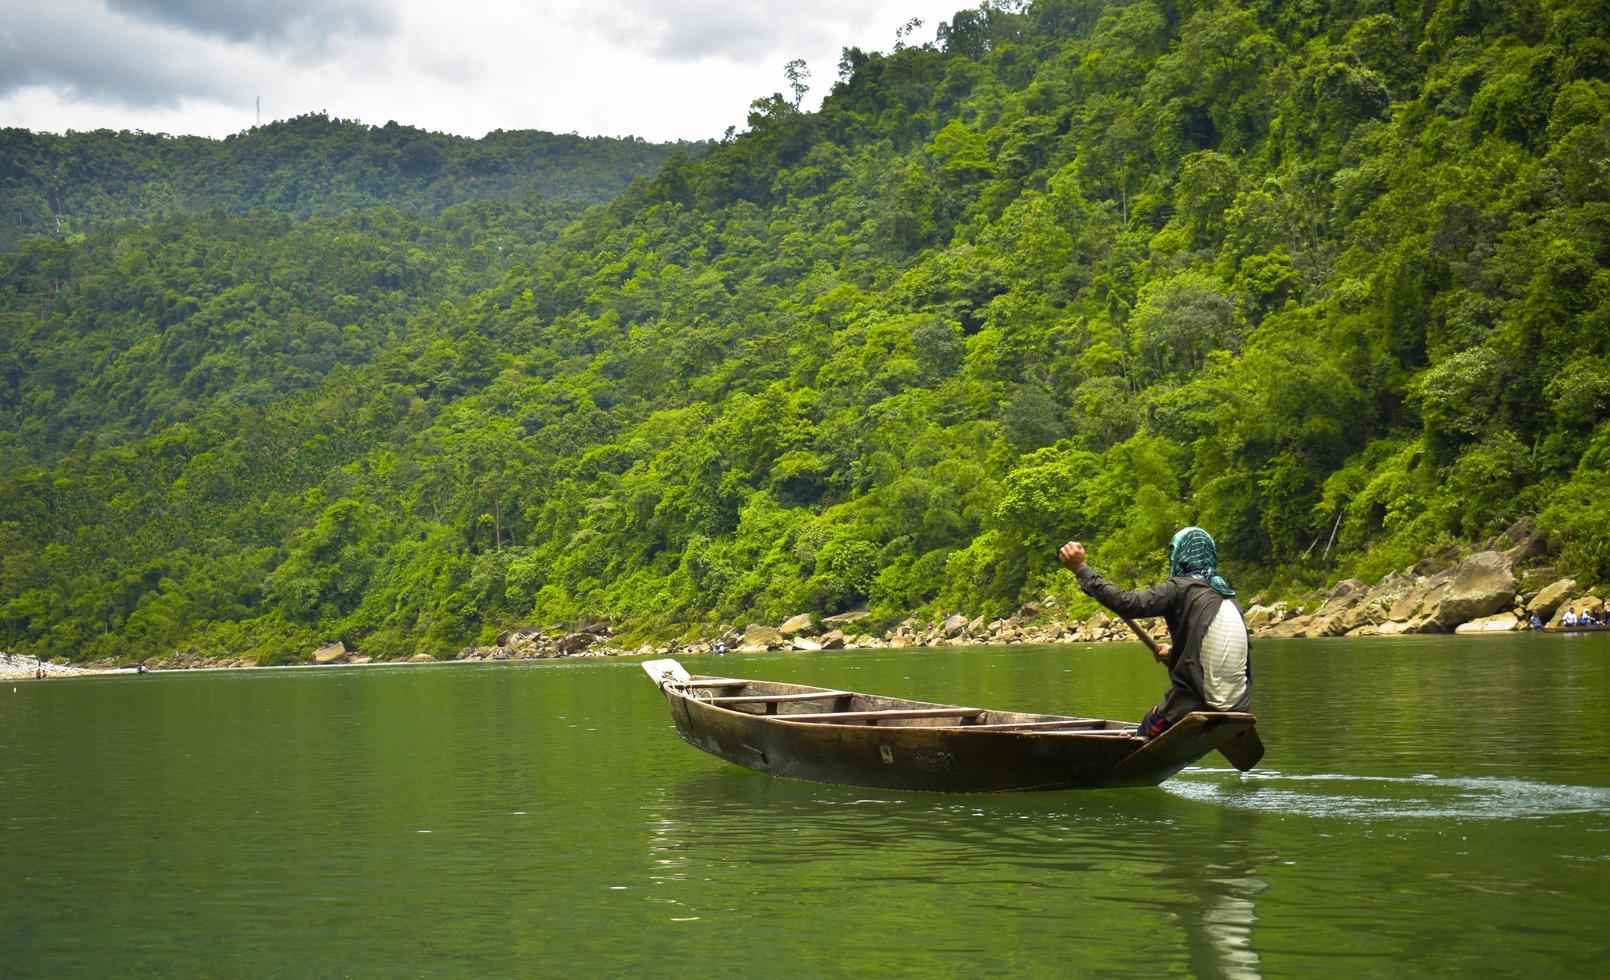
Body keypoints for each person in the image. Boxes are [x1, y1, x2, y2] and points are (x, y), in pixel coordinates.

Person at [1059, 527, 1251, 740]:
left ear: (1180, 556)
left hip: (1197, 702)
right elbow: (1216, 648)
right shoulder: (1229, 597)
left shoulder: (1180, 588)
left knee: (1151, 723)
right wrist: (1173, 653)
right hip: (1239, 704)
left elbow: (1127, 603)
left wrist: (1081, 569)